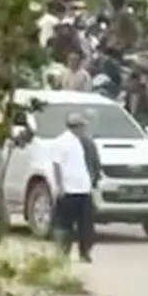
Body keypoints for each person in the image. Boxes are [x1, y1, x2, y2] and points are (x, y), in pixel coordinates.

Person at [49, 109, 100, 262]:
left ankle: (85, 252)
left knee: (86, 225)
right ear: (74, 127)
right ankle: (63, 252)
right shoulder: (61, 142)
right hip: (69, 190)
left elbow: (92, 162)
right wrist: (59, 186)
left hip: (84, 188)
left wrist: (93, 182)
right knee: (65, 224)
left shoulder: (85, 142)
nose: (83, 129)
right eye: (81, 126)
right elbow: (56, 164)